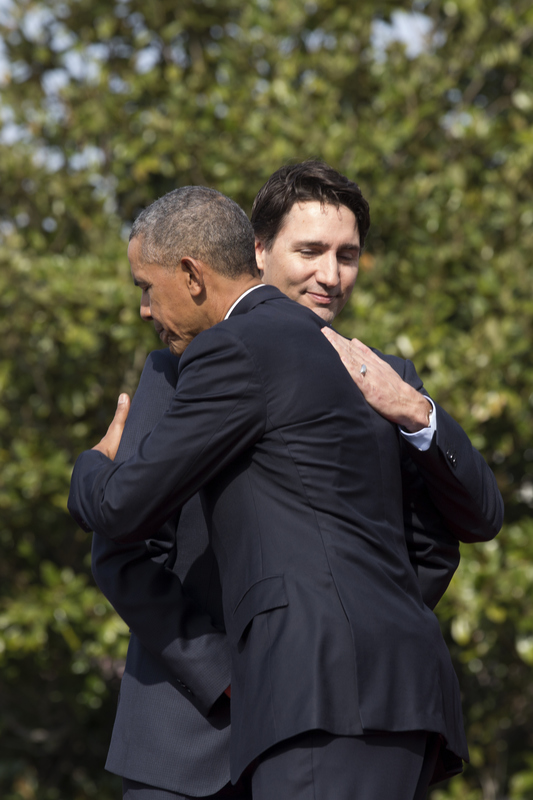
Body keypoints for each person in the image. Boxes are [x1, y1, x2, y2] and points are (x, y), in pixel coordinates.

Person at [69, 181, 503, 799]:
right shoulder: (180, 364)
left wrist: (416, 410)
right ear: (259, 253)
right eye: (309, 251)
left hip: (327, 700)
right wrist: (231, 674)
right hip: (189, 734)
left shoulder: (379, 379)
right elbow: (122, 545)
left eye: (347, 255)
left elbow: (440, 539)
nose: (329, 274)